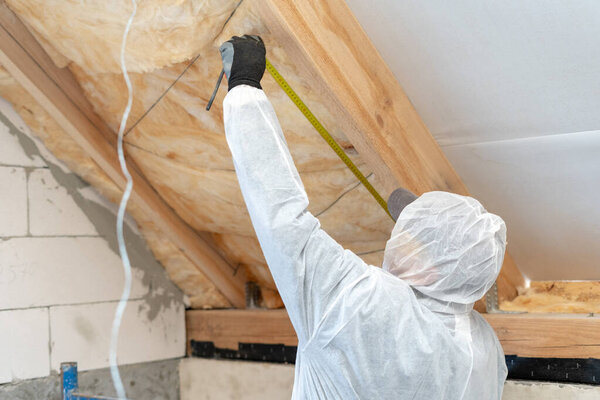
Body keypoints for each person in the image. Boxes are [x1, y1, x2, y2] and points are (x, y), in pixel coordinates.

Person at [219, 35, 508, 399]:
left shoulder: (360, 306)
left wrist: (244, 88)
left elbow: (284, 222)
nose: (396, 236)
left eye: (412, 237)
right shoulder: (484, 349)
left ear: (433, 269)